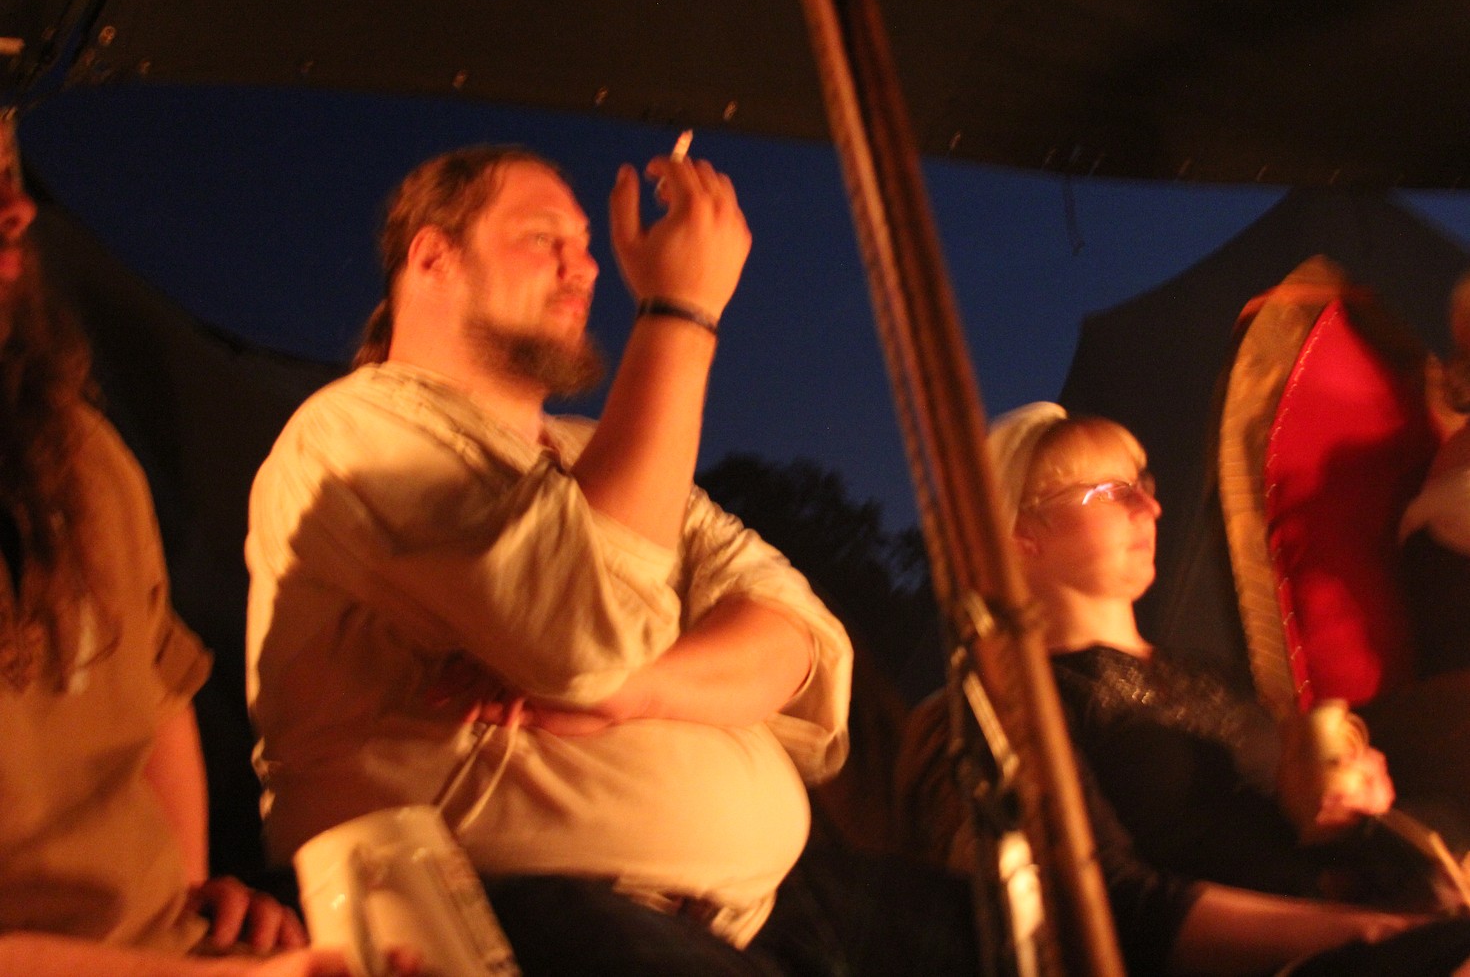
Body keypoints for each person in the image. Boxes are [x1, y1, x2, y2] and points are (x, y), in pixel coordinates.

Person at [245, 143, 907, 973]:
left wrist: (636, 691)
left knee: (994, 930)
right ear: (433, 256)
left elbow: (798, 637)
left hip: (732, 913)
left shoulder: (598, 452)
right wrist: (681, 311)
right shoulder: (353, 432)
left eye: (586, 245)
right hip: (492, 909)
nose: (586, 267)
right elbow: (583, 635)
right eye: (542, 238)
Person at [899, 401, 1470, 975]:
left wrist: (1357, 816)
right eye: (1112, 492)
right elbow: (1105, 905)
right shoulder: (1009, 703)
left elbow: (1296, 844)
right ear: (1022, 534)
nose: (1150, 507)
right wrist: (1376, 936)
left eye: (1143, 485)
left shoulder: (1210, 676)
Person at [0, 116, 358, 975]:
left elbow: (160, 691)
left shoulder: (77, 452)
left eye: (9, 170)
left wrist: (189, 895)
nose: (17, 209)